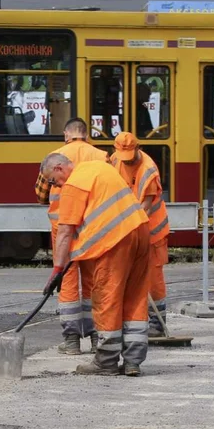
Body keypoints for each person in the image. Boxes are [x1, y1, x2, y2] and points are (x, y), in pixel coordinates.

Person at [41, 154, 150, 376]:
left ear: (60, 168)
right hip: (140, 231)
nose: (55, 186)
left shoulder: (73, 184)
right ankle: (133, 361)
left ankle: (106, 362)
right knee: (135, 297)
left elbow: (64, 231)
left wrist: (57, 270)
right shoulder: (100, 168)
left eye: (52, 181)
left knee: (107, 297)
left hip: (115, 240)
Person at [35, 117, 109, 355]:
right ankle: (97, 337)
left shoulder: (54, 156)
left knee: (66, 282)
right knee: (93, 282)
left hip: (62, 228)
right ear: (87, 135)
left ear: (66, 135)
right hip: (92, 229)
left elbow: (40, 194)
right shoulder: (100, 156)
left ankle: (71, 342)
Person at [111, 132, 170, 337]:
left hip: (152, 230)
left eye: (130, 156)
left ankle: (157, 323)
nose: (127, 162)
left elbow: (145, 206)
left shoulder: (148, 170)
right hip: (130, 226)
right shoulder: (115, 161)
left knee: (153, 277)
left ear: (138, 148)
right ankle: (136, 319)